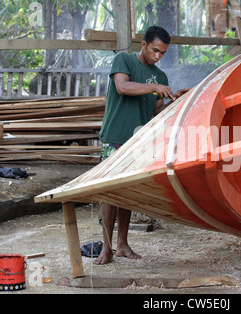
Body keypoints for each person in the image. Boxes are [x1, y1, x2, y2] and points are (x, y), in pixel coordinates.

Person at [94, 26, 189, 265]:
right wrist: (154, 87)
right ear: (143, 44)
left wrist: (175, 100)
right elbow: (123, 87)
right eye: (155, 50)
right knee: (109, 194)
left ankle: (122, 245)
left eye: (163, 53)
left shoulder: (161, 76)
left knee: (128, 193)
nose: (158, 56)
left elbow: (155, 109)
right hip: (115, 136)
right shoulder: (123, 60)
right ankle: (106, 247)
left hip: (139, 140)